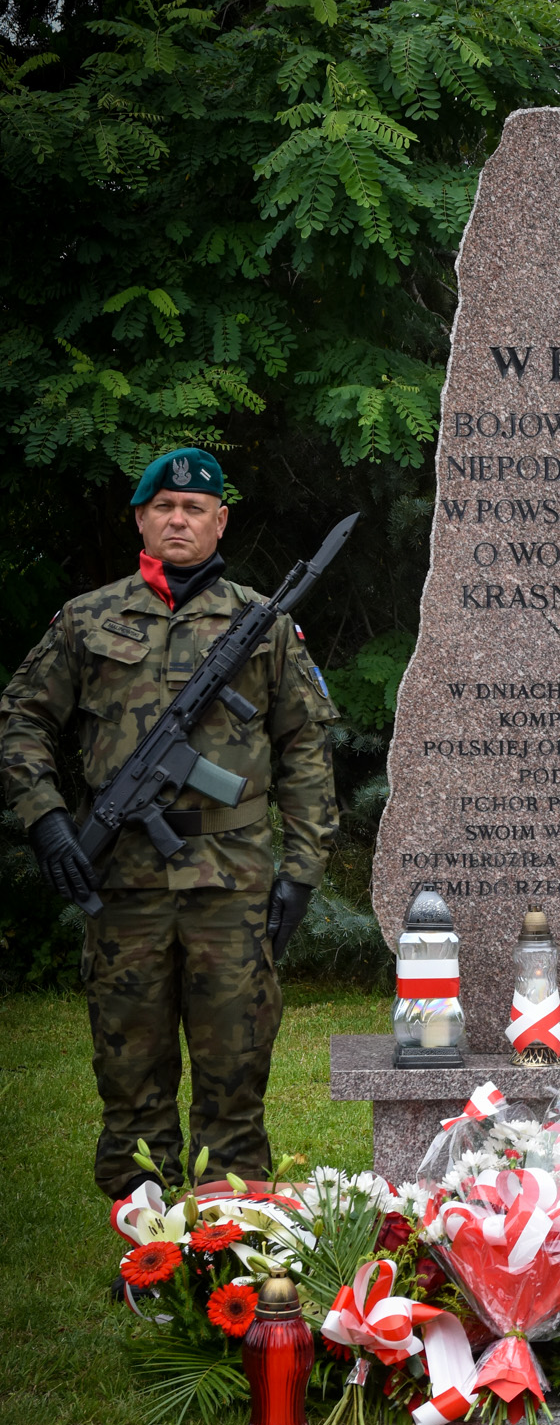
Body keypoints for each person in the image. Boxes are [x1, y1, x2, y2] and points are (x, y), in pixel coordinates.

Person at [0, 447, 339, 1196]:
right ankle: (144, 1240)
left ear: (220, 521)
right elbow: (21, 717)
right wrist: (46, 819)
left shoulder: (263, 624)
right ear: (140, 519)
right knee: (129, 1077)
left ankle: (230, 1238)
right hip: (122, 883)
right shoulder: (87, 619)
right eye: (164, 507)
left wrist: (301, 872)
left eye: (194, 508)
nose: (178, 519)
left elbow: (306, 749)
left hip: (233, 883)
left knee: (235, 1076)